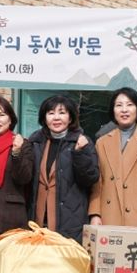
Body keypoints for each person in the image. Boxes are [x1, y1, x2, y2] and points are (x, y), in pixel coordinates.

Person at [89, 88, 137, 227]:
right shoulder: (102, 142)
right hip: (110, 214)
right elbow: (98, 183)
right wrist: (95, 214)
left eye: (130, 105)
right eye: (119, 105)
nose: (124, 110)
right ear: (113, 111)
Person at [28, 95, 99, 242]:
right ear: (44, 118)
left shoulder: (81, 142)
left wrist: (79, 153)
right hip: (37, 221)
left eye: (62, 113)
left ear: (70, 117)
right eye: (51, 113)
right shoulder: (35, 142)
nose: (56, 118)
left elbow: (90, 179)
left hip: (69, 221)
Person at [0, 95, 34, 238]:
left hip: (11, 219)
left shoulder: (22, 145)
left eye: (2, 115)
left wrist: (16, 152)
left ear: (10, 120)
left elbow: (24, 178)